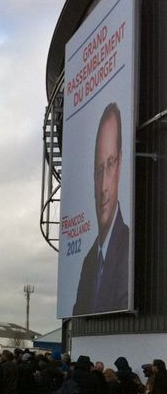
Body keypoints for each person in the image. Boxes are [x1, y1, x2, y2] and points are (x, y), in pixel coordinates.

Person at [73, 102, 130, 316]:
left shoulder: (129, 248)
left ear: (121, 163)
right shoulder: (88, 263)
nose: (104, 185)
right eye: (99, 170)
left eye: (111, 163)